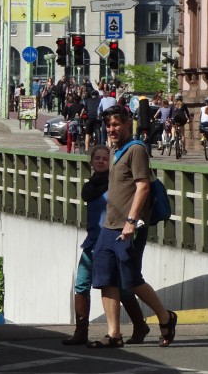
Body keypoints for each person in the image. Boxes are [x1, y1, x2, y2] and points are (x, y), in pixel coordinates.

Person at [88, 105, 177, 348]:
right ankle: (113, 334)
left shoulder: (136, 150)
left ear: (127, 124)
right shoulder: (115, 150)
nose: (112, 129)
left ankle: (165, 317)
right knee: (105, 279)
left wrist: (131, 222)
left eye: (116, 124)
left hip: (130, 227)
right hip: (109, 226)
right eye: (109, 125)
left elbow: (143, 187)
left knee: (132, 279)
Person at [63, 144, 149, 345]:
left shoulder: (116, 185)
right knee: (81, 284)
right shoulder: (90, 186)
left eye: (105, 158)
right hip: (92, 241)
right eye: (97, 158)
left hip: (113, 239)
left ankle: (140, 325)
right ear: (91, 162)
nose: (101, 161)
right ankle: (81, 331)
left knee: (121, 287)